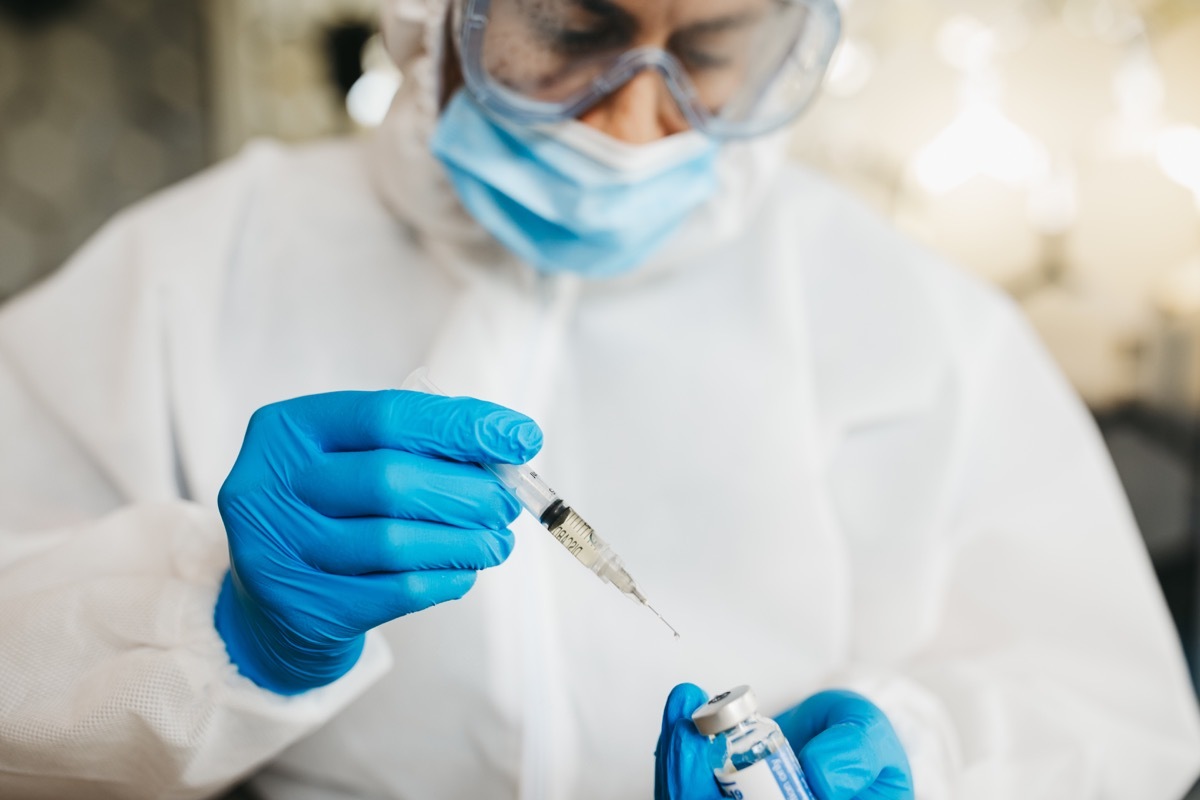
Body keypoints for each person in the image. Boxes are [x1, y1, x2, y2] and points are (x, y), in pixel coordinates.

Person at [0, 0, 1197, 797]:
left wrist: (921, 758)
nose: (634, 120)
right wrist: (219, 622)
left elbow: (1112, 708)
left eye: (712, 48)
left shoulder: (915, 316)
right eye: (573, 29)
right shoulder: (190, 267)